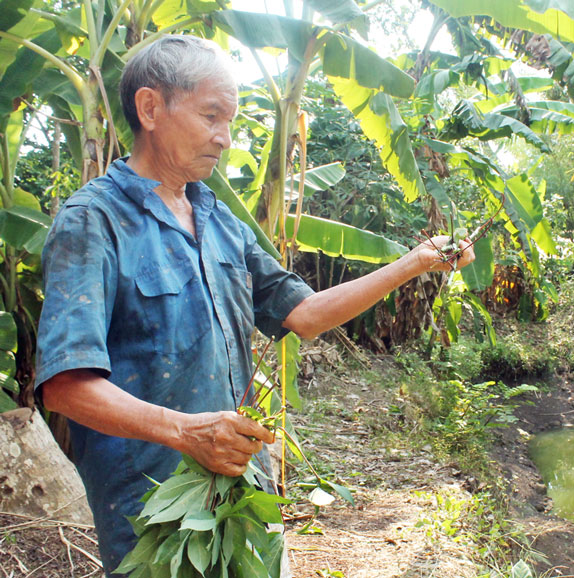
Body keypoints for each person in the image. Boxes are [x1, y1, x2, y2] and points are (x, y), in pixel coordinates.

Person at [34, 34, 474, 575]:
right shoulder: (93, 222)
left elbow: (306, 315)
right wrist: (184, 431)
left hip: (242, 492)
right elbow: (63, 386)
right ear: (151, 108)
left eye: (231, 120)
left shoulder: (220, 221)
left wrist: (414, 263)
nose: (224, 138)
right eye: (211, 115)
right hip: (150, 513)